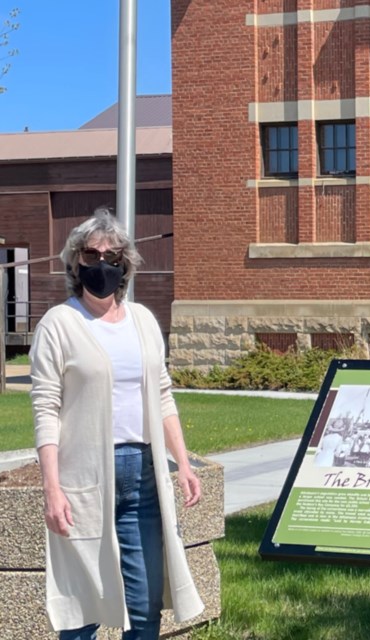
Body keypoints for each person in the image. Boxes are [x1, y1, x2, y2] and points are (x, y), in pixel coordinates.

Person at [30, 209, 204, 639]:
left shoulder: (143, 321)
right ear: (76, 262)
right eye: (91, 254)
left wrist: (182, 463)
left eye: (112, 255)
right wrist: (51, 488)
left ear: (125, 264)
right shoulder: (59, 324)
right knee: (82, 606)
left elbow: (162, 393)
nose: (102, 263)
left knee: (145, 607)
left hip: (143, 475)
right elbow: (45, 410)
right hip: (83, 480)